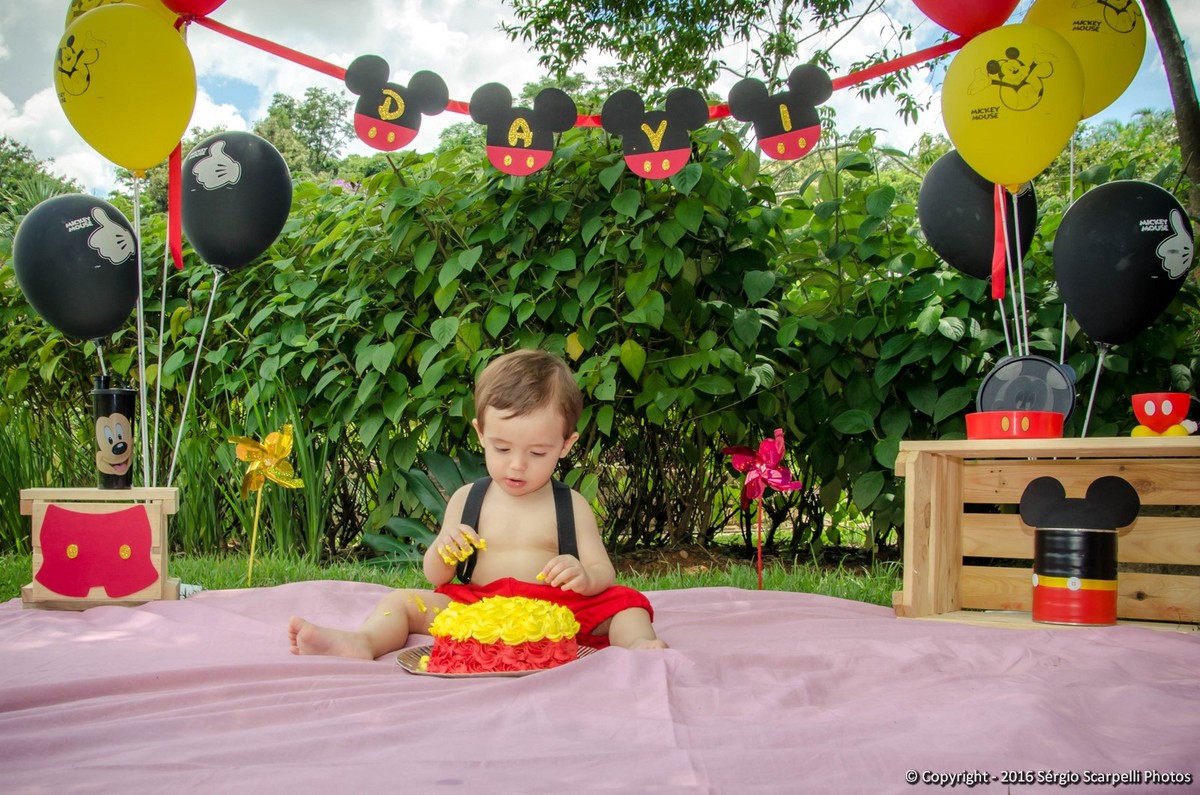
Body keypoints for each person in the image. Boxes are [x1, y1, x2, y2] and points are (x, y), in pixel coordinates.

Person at [288, 349, 667, 659]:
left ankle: (637, 645)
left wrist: (584, 576)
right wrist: (444, 548)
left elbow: (603, 571)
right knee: (401, 601)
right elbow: (437, 577)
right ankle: (364, 642)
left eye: (537, 453)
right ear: (481, 434)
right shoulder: (467, 499)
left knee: (628, 605)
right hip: (478, 607)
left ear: (566, 445)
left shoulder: (570, 505)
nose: (517, 465)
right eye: (502, 448)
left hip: (557, 610)